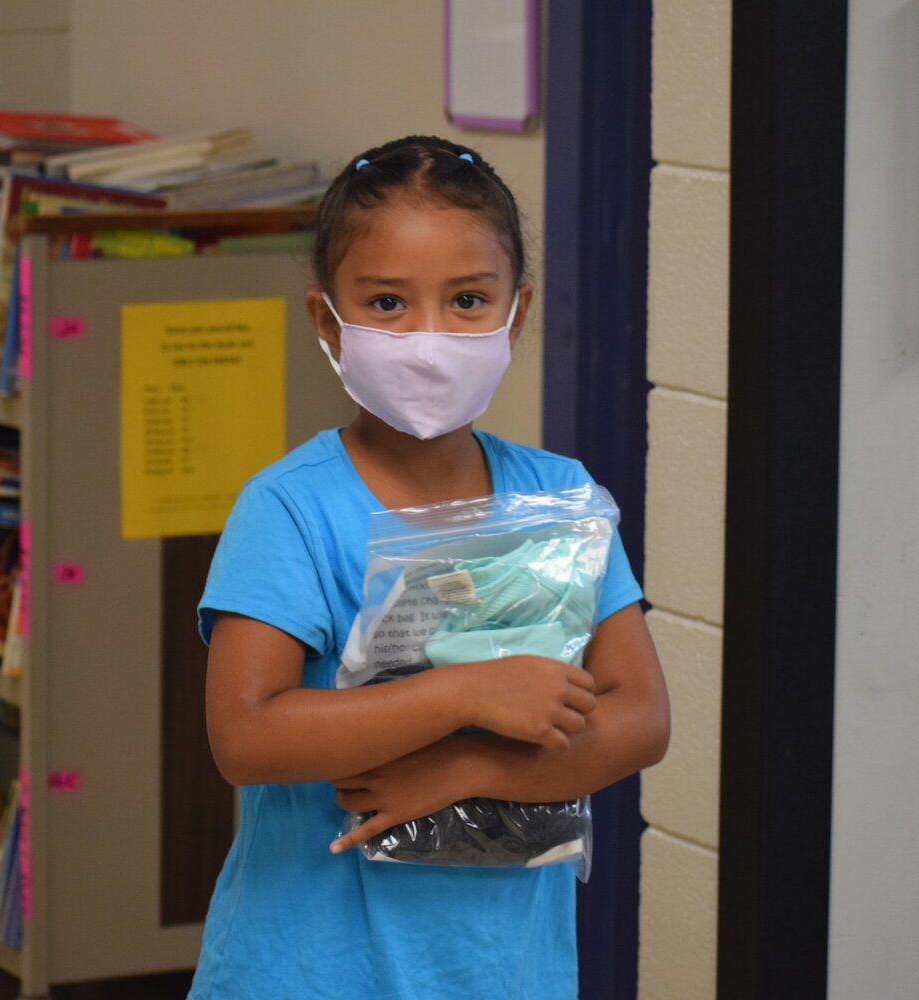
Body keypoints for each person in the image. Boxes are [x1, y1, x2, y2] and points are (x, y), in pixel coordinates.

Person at [189, 135, 670, 1000]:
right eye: (385, 302)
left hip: (504, 972)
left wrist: (469, 769)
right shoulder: (292, 507)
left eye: (467, 301)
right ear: (326, 321)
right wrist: (468, 695)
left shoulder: (560, 499)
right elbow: (245, 734)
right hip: (308, 971)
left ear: (515, 316)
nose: (427, 339)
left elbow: (639, 717)